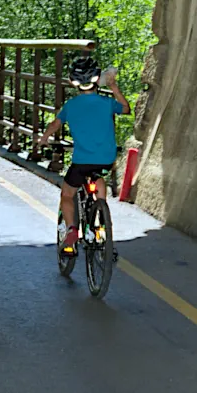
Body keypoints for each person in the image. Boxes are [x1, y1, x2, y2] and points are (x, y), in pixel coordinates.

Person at [37, 56, 130, 256]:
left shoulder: (71, 105)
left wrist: (44, 138)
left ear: (74, 82)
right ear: (97, 79)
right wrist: (113, 87)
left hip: (81, 162)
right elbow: (125, 108)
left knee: (67, 194)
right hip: (106, 158)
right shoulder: (106, 102)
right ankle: (101, 218)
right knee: (98, 177)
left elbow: (55, 124)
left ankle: (72, 230)